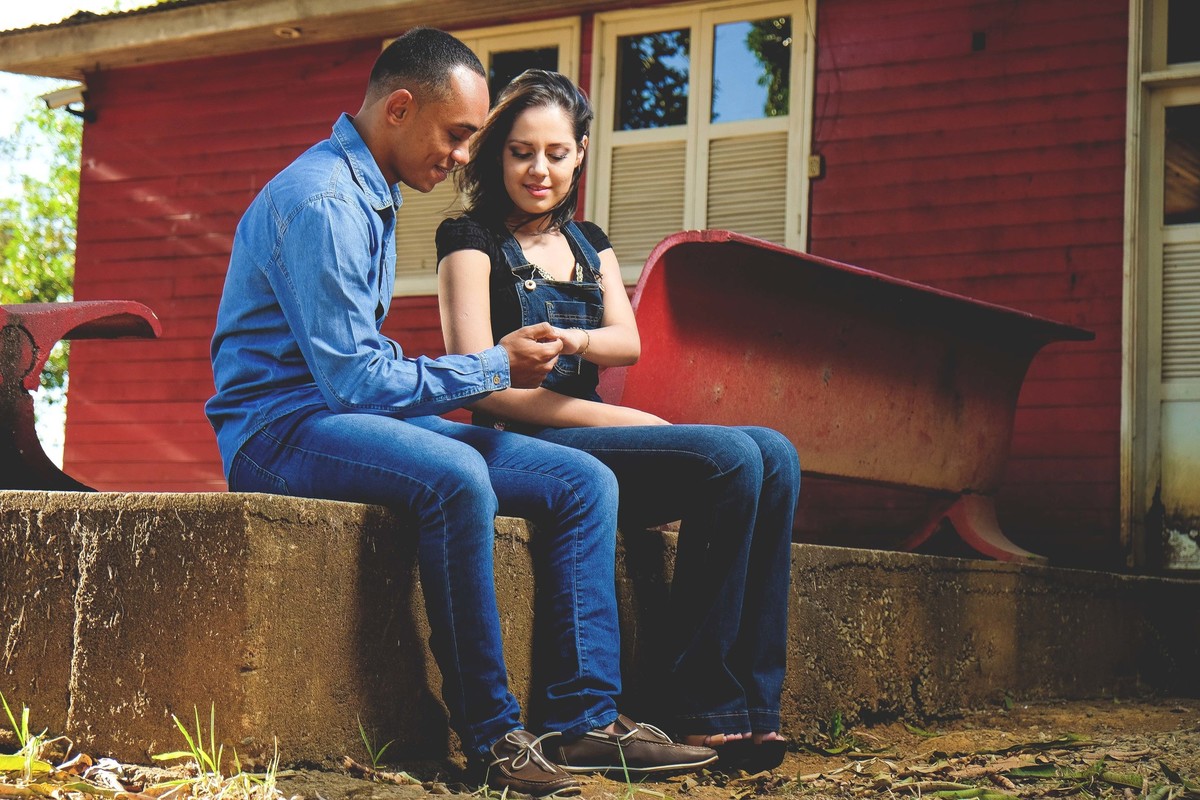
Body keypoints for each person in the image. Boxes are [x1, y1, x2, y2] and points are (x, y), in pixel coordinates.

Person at [205, 30, 715, 798]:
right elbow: (353, 381)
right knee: (455, 476)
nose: (462, 156)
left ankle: (583, 723)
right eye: (458, 135)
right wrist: (493, 365)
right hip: (276, 429)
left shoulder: (371, 190)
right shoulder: (323, 199)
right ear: (401, 108)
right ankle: (493, 742)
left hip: (343, 419)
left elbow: (363, 379)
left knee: (583, 483)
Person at [436, 69, 801, 773]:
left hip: (603, 437)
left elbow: (625, 340)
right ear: (495, 155)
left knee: (774, 452)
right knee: (730, 457)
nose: (539, 169)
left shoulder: (587, 241)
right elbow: (482, 386)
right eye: (520, 152)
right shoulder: (469, 239)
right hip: (533, 444)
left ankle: (751, 707)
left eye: (556, 152)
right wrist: (621, 417)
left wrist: (573, 342)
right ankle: (695, 698)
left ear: (578, 155)